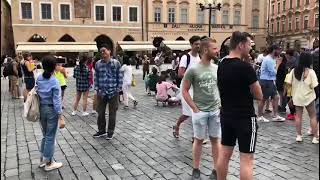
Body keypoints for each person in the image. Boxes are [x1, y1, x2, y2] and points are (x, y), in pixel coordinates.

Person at [217, 31, 263, 180]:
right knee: (246, 159)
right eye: (249, 45)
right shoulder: (245, 67)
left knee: (224, 154)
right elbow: (259, 95)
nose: (250, 48)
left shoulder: (221, 64)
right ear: (241, 45)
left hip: (227, 115)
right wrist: (249, 66)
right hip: (245, 118)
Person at [182, 38, 221, 180]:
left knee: (215, 140)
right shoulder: (193, 69)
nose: (217, 51)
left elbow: (220, 88)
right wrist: (194, 108)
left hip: (215, 110)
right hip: (200, 111)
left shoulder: (217, 68)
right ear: (205, 50)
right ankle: (196, 169)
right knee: (198, 140)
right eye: (214, 48)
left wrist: (220, 105)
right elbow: (184, 90)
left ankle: (216, 170)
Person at [36, 55, 63, 171]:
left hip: (41, 109)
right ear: (53, 67)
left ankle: (42, 160)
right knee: (50, 137)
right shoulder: (54, 81)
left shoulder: (39, 78)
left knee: (45, 135)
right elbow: (57, 101)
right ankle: (49, 163)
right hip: (51, 110)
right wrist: (60, 116)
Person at [286, 52, 319, 144]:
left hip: (297, 96)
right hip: (309, 96)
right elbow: (315, 86)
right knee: (312, 116)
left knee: (298, 116)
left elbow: (289, 84)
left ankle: (299, 136)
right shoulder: (311, 72)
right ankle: (315, 137)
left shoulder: (293, 71)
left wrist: (290, 96)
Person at [173, 35, 201, 138]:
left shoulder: (200, 57)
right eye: (196, 44)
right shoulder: (186, 57)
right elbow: (180, 73)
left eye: (199, 44)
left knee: (196, 112)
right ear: (191, 45)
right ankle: (177, 125)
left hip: (197, 88)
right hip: (187, 88)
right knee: (188, 113)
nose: (198, 46)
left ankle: (195, 136)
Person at [93, 44, 123, 139]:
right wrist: (97, 88)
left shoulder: (116, 63)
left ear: (109, 51)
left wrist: (118, 88)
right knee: (100, 112)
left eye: (104, 51)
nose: (102, 53)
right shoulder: (98, 64)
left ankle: (110, 132)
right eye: (101, 51)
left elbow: (120, 76)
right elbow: (96, 77)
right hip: (101, 92)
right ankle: (101, 131)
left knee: (112, 113)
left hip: (113, 92)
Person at [257, 44, 286, 122]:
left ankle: (275, 115)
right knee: (264, 99)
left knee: (276, 97)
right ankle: (259, 116)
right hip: (266, 81)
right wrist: (278, 64)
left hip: (270, 81)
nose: (280, 51)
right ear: (274, 50)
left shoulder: (272, 58)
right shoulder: (268, 59)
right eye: (279, 49)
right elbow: (274, 72)